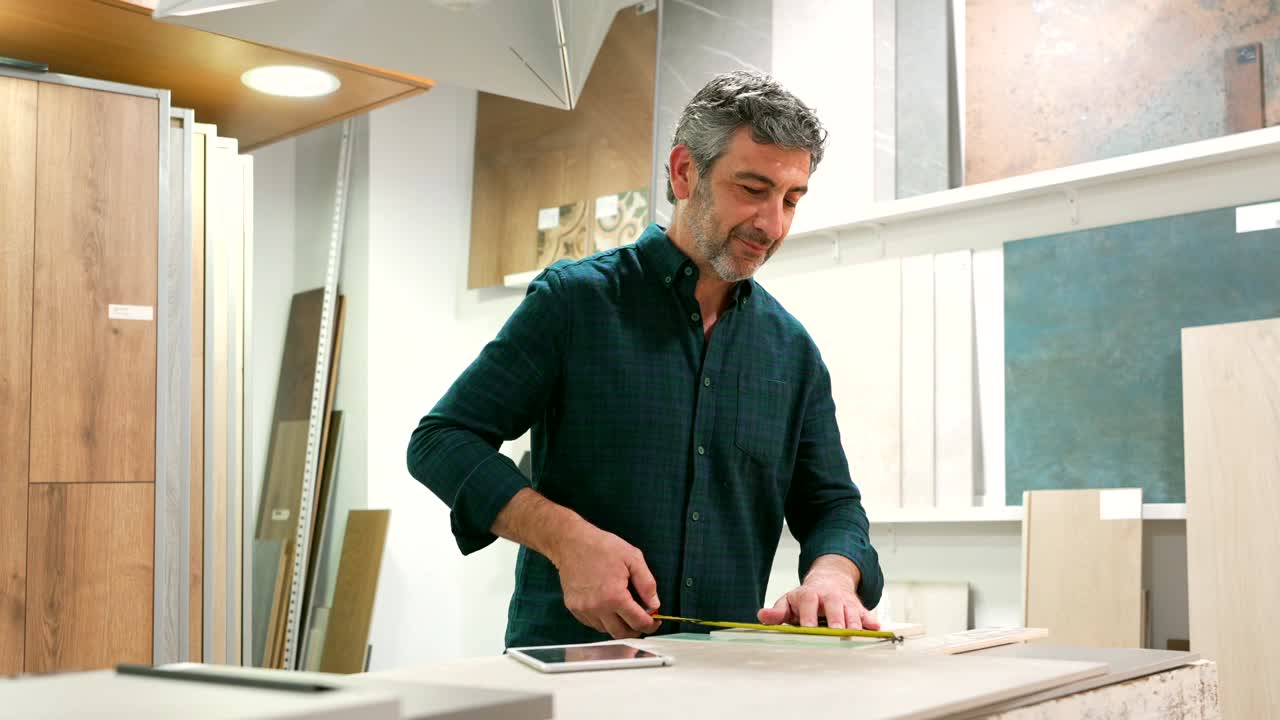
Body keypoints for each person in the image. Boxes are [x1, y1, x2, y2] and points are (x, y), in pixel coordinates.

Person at [408, 70, 883, 649]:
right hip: (573, 669)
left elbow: (831, 503)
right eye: (753, 190)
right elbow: (441, 440)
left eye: (791, 199)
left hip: (722, 684)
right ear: (686, 172)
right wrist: (566, 539)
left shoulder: (793, 352)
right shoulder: (575, 303)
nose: (773, 224)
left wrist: (833, 574)